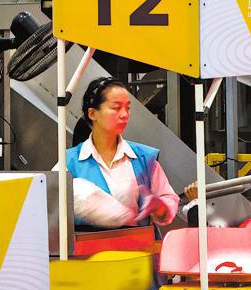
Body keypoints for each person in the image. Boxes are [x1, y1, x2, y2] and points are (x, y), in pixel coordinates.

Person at [59, 77, 179, 229]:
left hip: (137, 243)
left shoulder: (143, 159)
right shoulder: (68, 162)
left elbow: (168, 201)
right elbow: (50, 205)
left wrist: (159, 207)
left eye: (127, 108)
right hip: (86, 244)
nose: (124, 114)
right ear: (92, 113)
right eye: (116, 108)